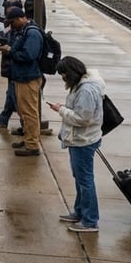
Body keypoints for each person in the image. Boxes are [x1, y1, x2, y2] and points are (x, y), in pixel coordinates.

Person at [49, 56, 105, 233]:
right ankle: (80, 212)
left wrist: (61, 110)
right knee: (80, 178)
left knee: (85, 180)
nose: (63, 79)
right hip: (79, 139)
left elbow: (82, 118)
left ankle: (90, 220)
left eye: (64, 75)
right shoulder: (82, 85)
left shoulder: (86, 91)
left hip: (84, 140)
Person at [0, 6, 44, 156]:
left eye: (12, 23)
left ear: (19, 19)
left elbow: (29, 55)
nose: (11, 26)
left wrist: (11, 52)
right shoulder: (23, 31)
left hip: (28, 77)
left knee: (30, 113)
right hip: (21, 76)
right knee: (24, 112)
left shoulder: (32, 33)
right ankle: (28, 138)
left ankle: (32, 145)